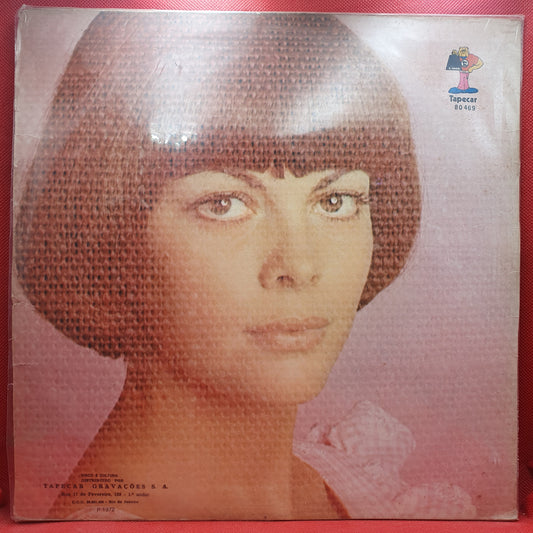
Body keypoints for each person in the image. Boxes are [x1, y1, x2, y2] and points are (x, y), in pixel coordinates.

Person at [15, 11, 440, 520]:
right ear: (110, 233)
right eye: (223, 204)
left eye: (336, 201)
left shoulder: (360, 480)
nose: (299, 265)